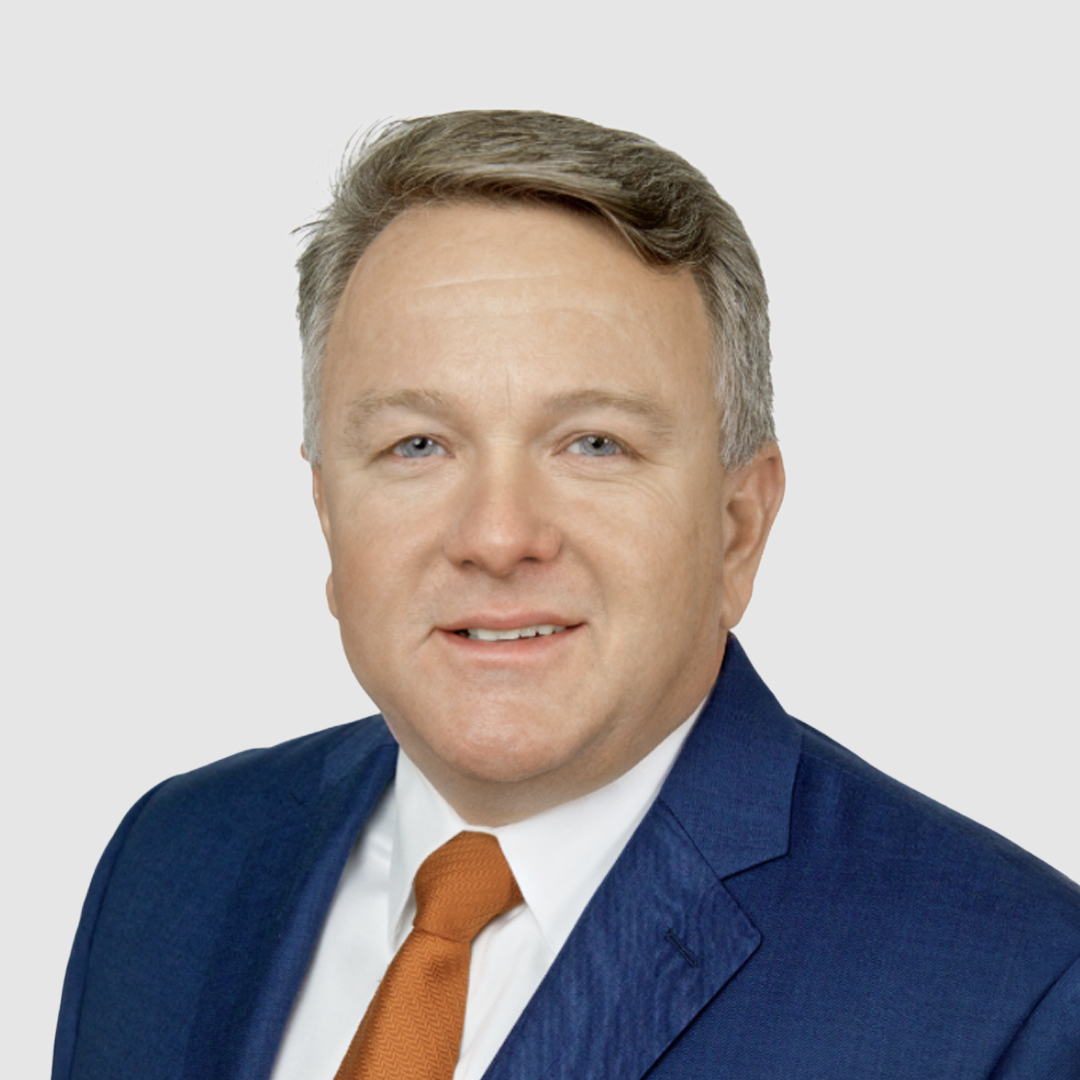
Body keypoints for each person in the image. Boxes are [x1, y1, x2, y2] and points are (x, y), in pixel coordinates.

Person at [53, 111, 1080, 1080]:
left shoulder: (1014, 995)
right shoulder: (172, 862)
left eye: (595, 443)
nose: (498, 537)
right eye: (417, 444)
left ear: (738, 526)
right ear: (329, 513)